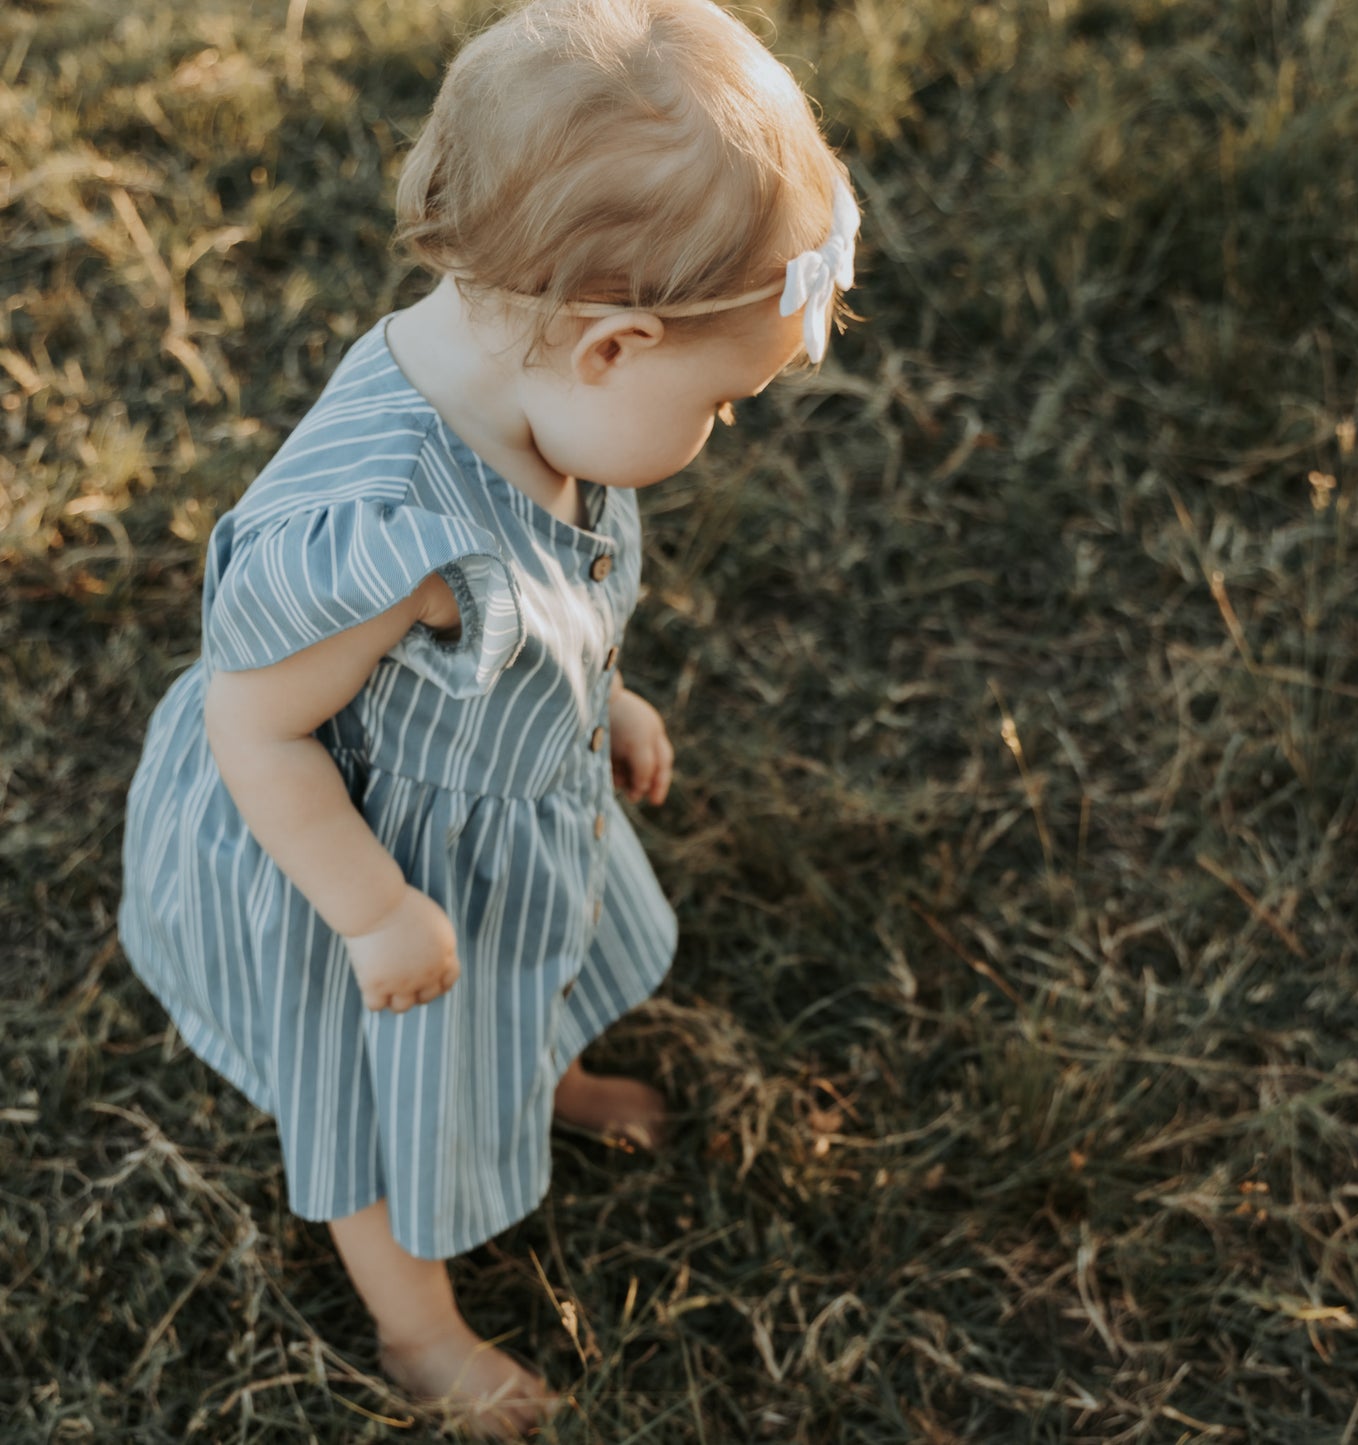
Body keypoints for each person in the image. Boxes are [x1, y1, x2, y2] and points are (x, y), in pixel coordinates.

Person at [118, 0, 859, 1434]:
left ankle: (542, 1073)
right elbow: (250, 726)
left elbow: (540, 603)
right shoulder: (377, 526)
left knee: (529, 963)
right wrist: (372, 909)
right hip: (364, 854)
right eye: (723, 403)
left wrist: (608, 688)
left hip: (496, 803)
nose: (722, 433)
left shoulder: (527, 380)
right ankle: (420, 1329)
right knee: (387, 1103)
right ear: (609, 346)